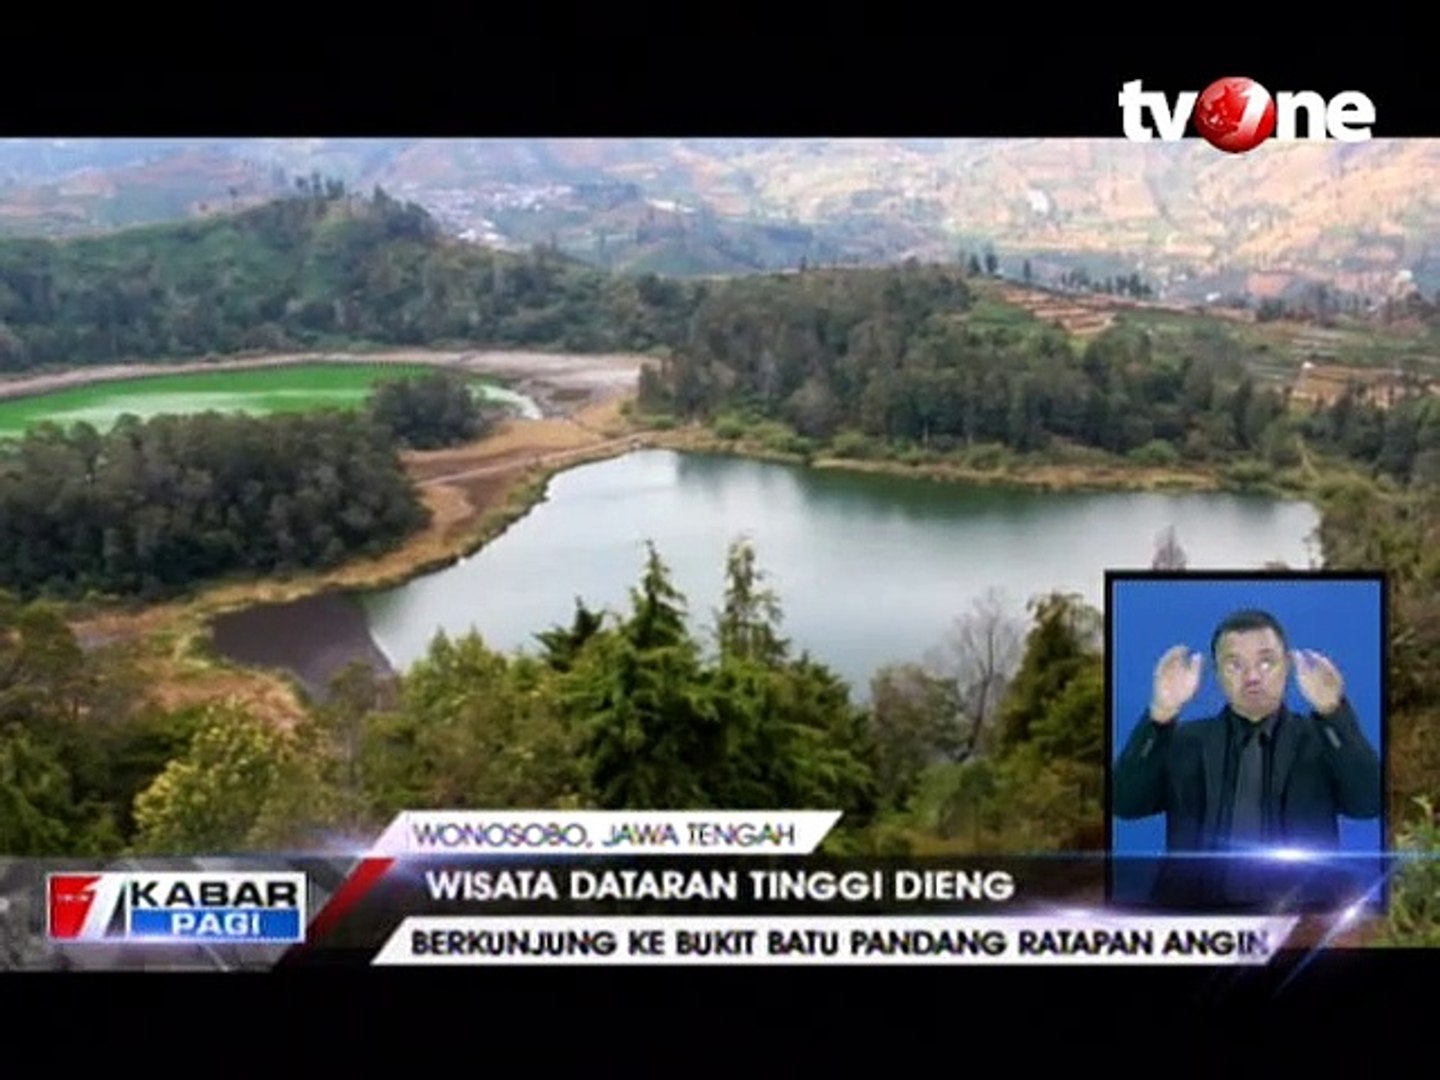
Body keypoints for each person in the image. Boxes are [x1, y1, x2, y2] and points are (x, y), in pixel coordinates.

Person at [1112, 608, 1382, 911]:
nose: (1252, 677)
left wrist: (1332, 712)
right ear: (1216, 675)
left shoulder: (1324, 739)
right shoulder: (1182, 742)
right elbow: (1125, 804)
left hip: (1302, 920)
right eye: (1234, 665)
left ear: (1288, 667)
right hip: (1197, 920)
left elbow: (1368, 803)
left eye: (1266, 662)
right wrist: (1160, 714)